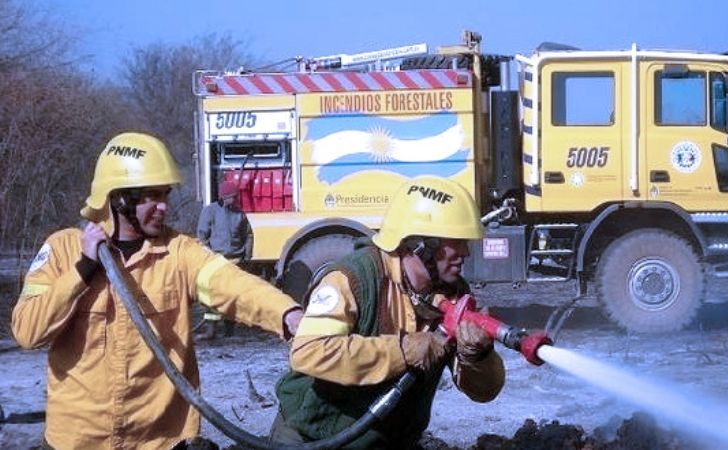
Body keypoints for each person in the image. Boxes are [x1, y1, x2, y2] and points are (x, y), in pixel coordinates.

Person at [11, 132, 303, 450]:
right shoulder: (62, 249)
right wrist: (82, 269)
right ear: (119, 198)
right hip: (76, 440)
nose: (164, 206)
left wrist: (287, 314)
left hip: (158, 441)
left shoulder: (179, 253)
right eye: (153, 196)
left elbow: (234, 286)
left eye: (165, 194)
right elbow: (28, 332)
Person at [271, 176, 517, 449]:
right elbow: (308, 352)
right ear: (420, 244)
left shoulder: (453, 294)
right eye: (457, 241)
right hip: (312, 435)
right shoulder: (352, 278)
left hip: (388, 439)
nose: (465, 252)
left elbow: (484, 393)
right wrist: (403, 351)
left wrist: (478, 358)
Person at [195, 179, 253, 339]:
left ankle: (229, 330)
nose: (235, 200)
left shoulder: (240, 214)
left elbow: (248, 235)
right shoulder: (210, 211)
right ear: (224, 197)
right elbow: (201, 235)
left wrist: (247, 256)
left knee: (232, 296)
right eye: (232, 197)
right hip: (216, 261)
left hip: (236, 261)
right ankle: (211, 330)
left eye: (236, 197)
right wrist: (209, 254)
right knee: (211, 296)